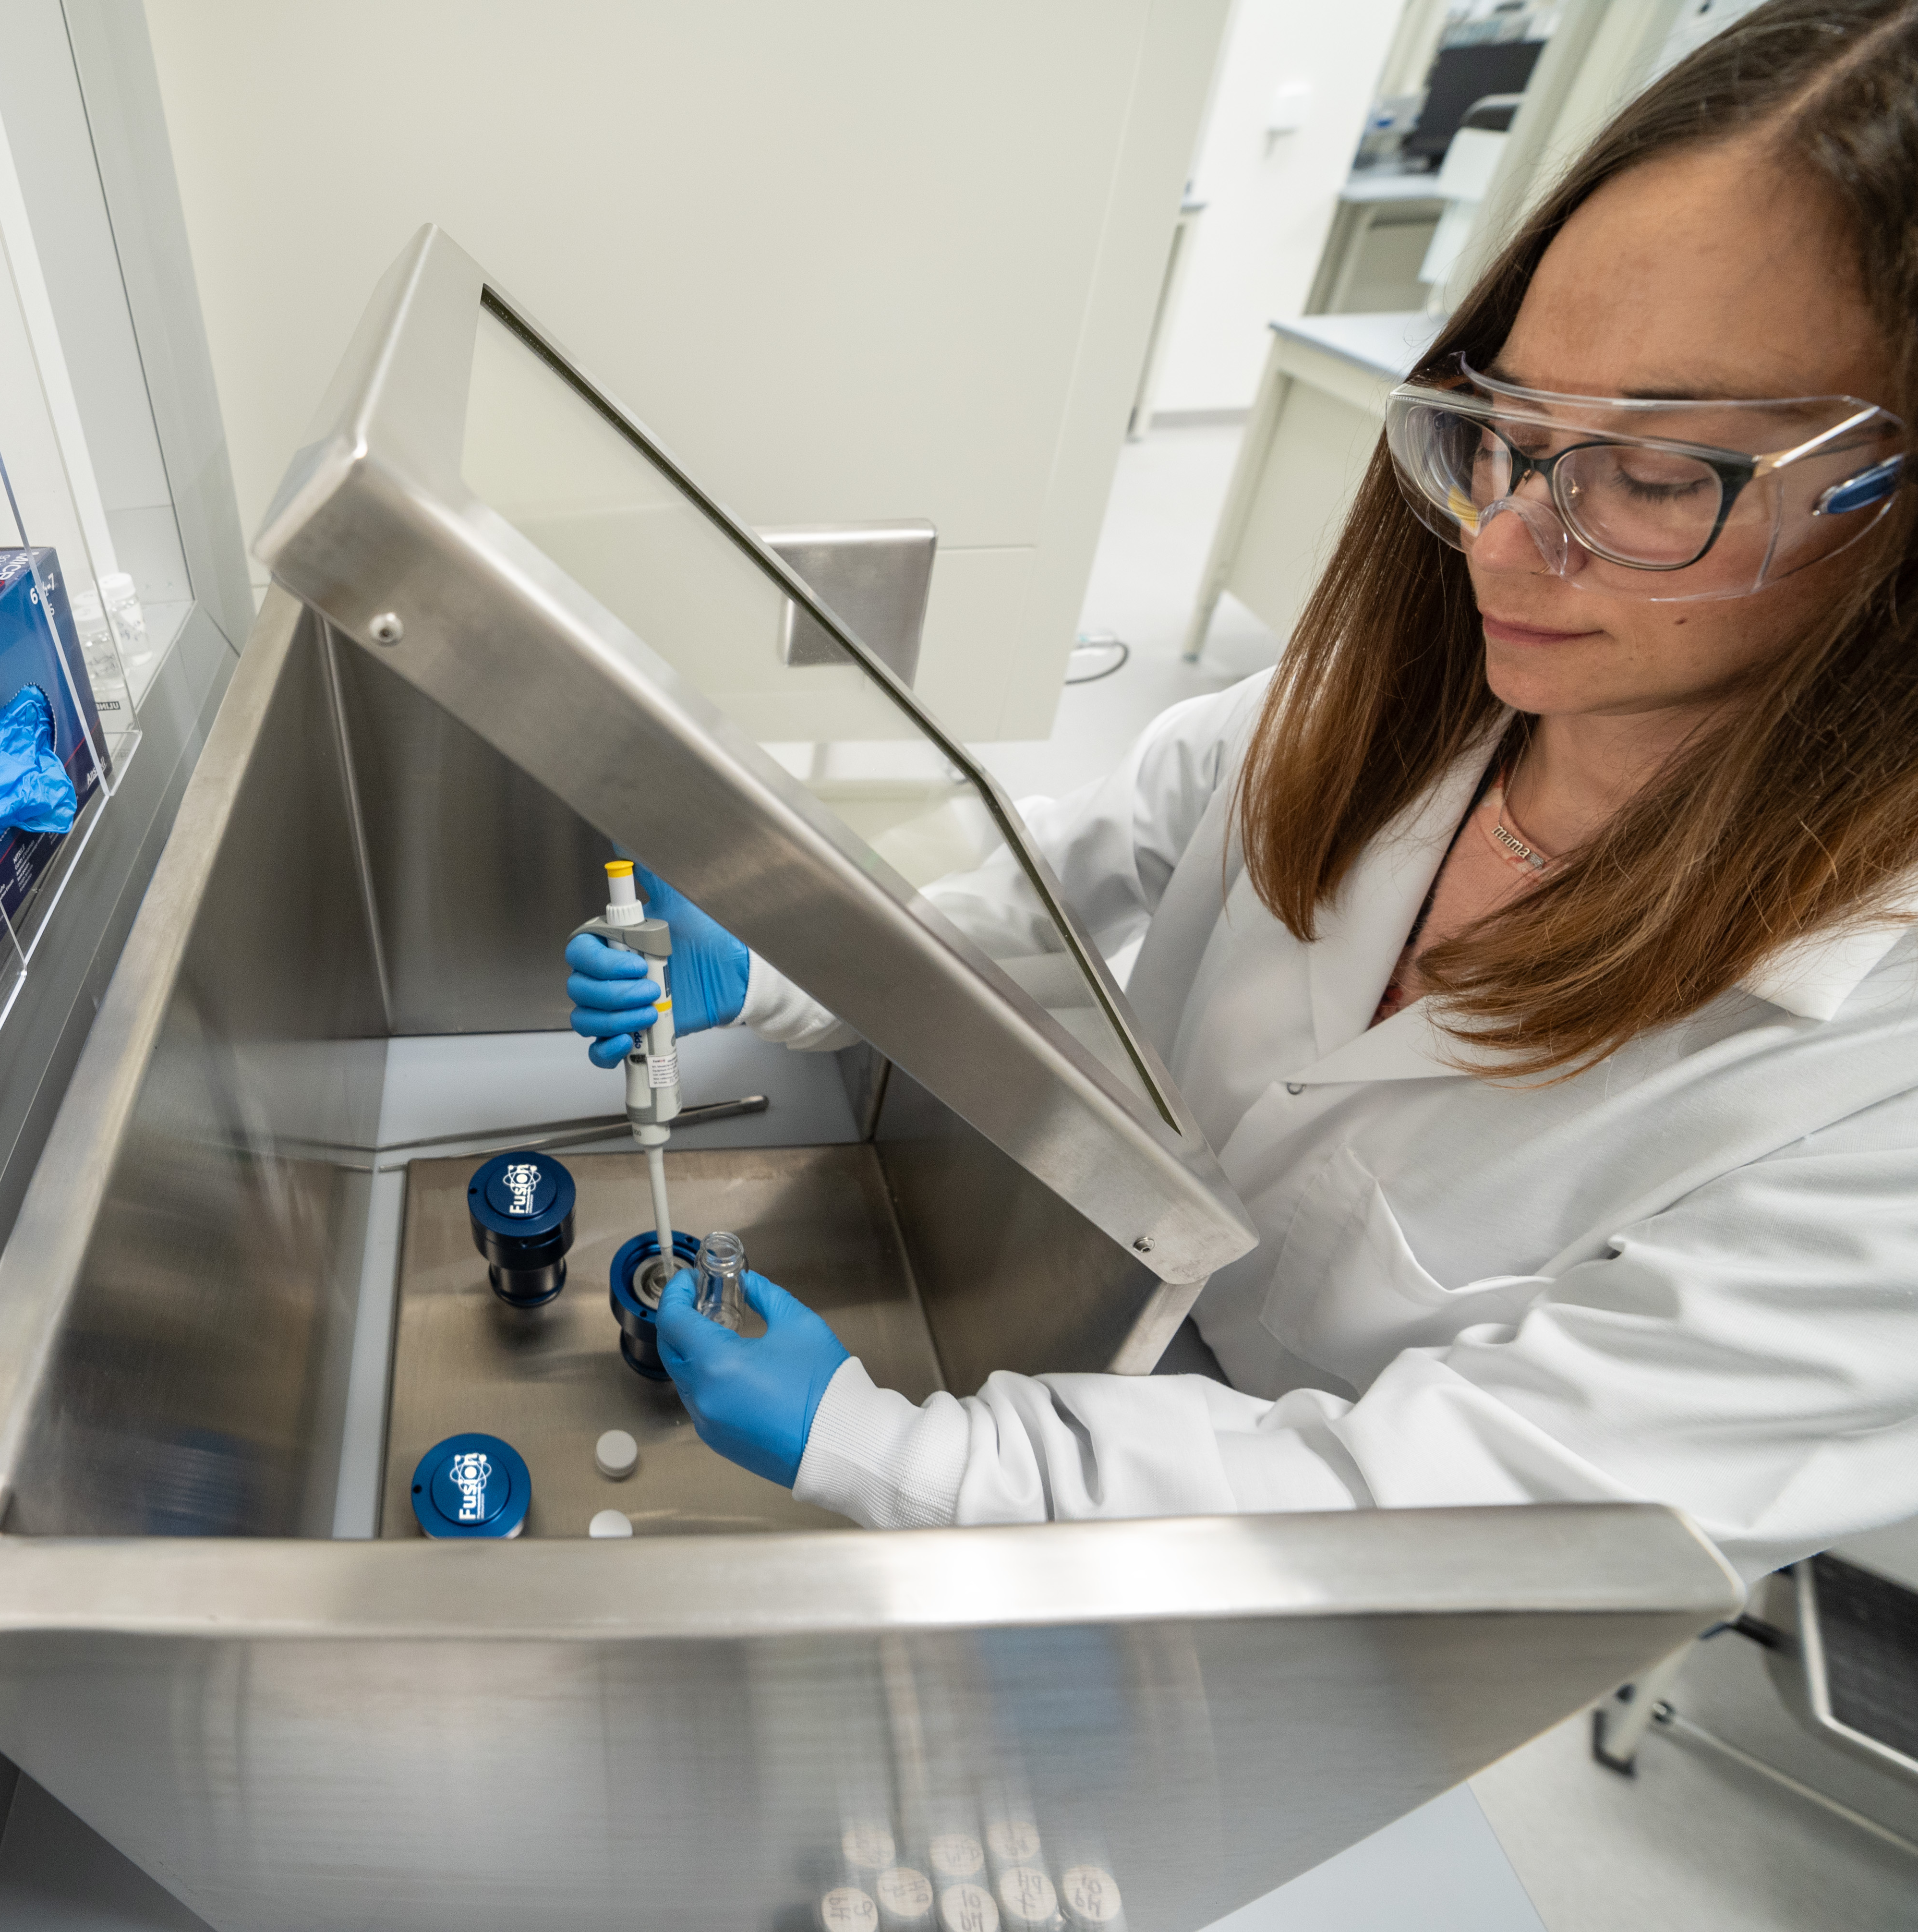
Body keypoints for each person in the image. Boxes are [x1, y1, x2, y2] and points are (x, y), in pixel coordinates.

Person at [564, 0, 1918, 1582]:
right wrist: (787, 965)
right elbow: (1069, 876)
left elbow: (1480, 1503)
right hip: (1122, 1307)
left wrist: (902, 1455)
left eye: (1661, 474)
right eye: (1506, 435)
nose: (1500, 543)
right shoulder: (1384, 703)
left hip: (1306, 1590)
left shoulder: (1872, 1081)